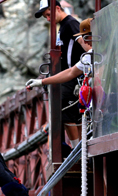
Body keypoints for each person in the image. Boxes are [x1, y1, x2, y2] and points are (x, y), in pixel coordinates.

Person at [34, 0, 87, 148]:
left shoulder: (70, 23)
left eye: (49, 15)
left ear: (58, 8)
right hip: (70, 74)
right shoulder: (62, 26)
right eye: (46, 17)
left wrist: (91, 53)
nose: (49, 19)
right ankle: (79, 147)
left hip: (74, 75)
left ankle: (77, 149)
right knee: (71, 115)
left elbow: (82, 40)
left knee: (66, 112)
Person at [26, 18, 93, 91]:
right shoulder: (90, 55)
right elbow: (71, 72)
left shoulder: (71, 23)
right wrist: (42, 82)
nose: (85, 42)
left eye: (85, 37)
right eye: (82, 38)